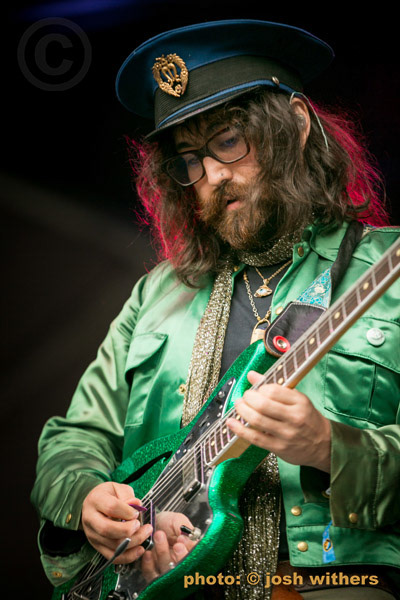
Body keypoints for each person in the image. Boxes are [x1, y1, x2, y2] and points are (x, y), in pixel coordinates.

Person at [31, 20, 400, 600]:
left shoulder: (388, 270)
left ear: (296, 125)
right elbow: (75, 437)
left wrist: (331, 447)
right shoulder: (155, 293)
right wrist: (85, 498)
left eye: (229, 141)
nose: (214, 176)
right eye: (189, 160)